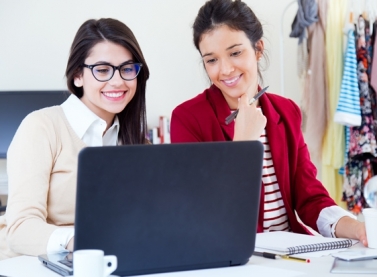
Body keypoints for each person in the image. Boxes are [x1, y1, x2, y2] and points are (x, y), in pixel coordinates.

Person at [170, 0, 367, 244]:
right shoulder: (187, 119)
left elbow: (310, 197)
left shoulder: (287, 111)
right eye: (211, 60)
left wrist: (357, 228)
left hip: (290, 253)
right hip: (232, 255)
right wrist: (243, 143)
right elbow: (203, 210)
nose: (226, 69)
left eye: (235, 53)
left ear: (258, 49)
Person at [0, 18, 150, 260]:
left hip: (101, 265)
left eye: (127, 68)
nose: (118, 81)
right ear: (78, 75)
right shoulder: (42, 126)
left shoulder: (137, 143)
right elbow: (20, 228)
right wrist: (78, 241)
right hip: (30, 265)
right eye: (102, 70)